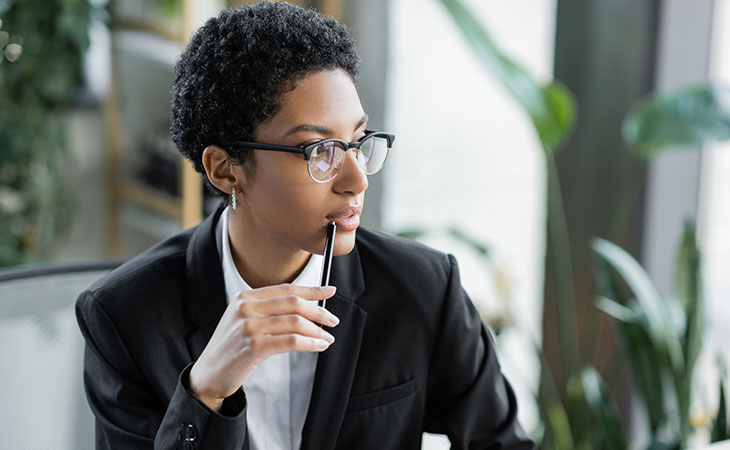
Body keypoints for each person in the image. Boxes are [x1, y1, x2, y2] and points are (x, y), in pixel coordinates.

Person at [75, 2, 535, 449]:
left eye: (357, 143)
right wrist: (205, 391)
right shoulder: (123, 316)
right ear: (225, 169)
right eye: (320, 151)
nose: (357, 180)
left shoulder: (424, 289)